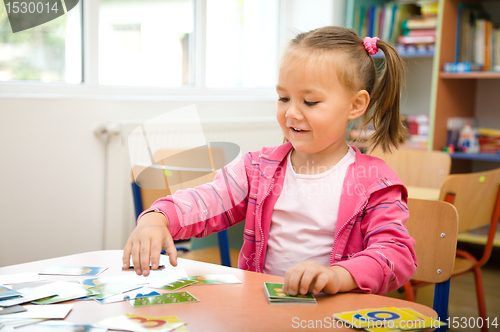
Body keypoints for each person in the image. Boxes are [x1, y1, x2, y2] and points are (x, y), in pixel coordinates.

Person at [123, 26, 417, 297]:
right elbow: (207, 200)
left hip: (332, 317)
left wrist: (338, 276)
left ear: (356, 105)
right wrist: (156, 218)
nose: (291, 113)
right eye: (283, 98)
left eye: (310, 102)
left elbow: (396, 254)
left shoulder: (375, 182)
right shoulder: (258, 169)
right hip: (262, 309)